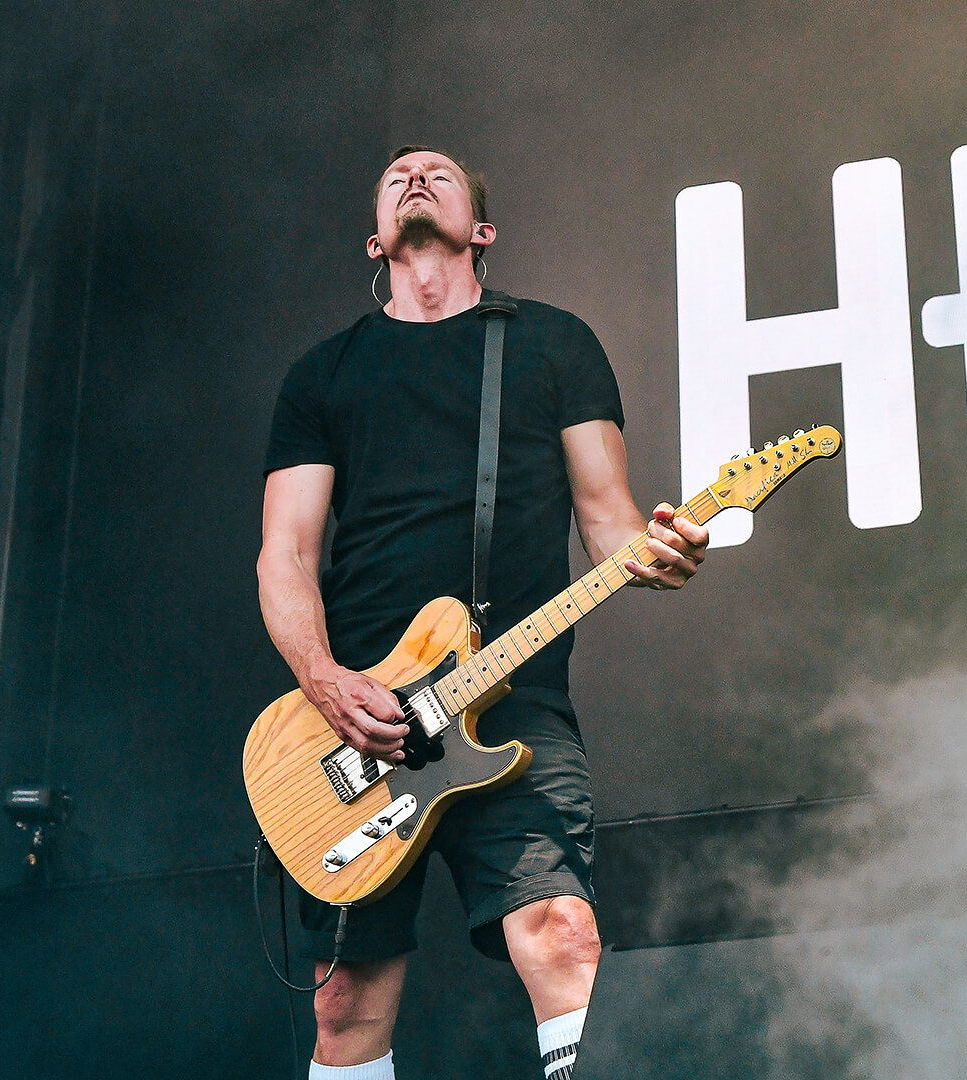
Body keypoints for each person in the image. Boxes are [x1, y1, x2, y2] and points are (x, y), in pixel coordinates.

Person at [257, 145, 707, 1080]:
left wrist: (661, 551)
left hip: (512, 699)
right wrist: (326, 683)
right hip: (359, 716)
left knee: (563, 934)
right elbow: (286, 554)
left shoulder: (552, 343)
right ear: (374, 240)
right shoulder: (323, 374)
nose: (416, 177)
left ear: (483, 229)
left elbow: (610, 520)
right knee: (345, 1004)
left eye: (440, 173)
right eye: (396, 177)